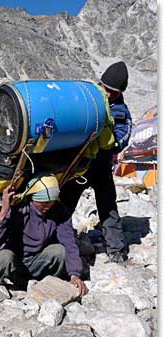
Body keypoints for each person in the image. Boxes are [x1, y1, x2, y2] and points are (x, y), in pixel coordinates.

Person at [60, 61, 132, 263]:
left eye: (114, 92)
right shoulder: (85, 99)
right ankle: (57, 240)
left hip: (101, 167)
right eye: (106, 89)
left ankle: (116, 250)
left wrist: (107, 142)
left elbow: (122, 139)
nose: (109, 95)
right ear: (100, 84)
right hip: (80, 165)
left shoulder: (122, 112)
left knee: (108, 206)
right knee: (65, 203)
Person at [0, 174, 88, 296]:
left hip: (38, 263)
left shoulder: (58, 211)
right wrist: (4, 211)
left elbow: (69, 242)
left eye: (51, 202)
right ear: (32, 197)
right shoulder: (18, 209)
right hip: (14, 264)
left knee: (60, 251)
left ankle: (42, 284)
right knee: (4, 257)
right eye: (43, 202)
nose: (47, 207)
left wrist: (74, 274)